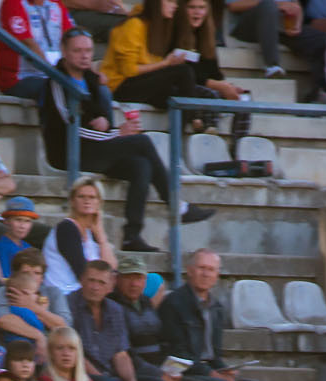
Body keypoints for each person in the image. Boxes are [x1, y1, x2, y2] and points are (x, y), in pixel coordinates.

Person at [37, 30, 203, 255]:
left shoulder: (90, 79)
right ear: (64, 52)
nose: (84, 56)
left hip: (93, 147)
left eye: (88, 50)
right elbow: (70, 128)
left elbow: (95, 121)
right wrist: (115, 133)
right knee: (142, 142)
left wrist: (109, 128)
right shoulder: (56, 82)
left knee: (141, 166)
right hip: (68, 152)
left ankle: (131, 236)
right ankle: (176, 205)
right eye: (77, 51)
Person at [156, 250, 264, 381]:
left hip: (206, 371)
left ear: (217, 275)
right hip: (183, 371)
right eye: (201, 268)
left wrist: (225, 370)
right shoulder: (174, 303)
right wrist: (212, 374)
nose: (206, 274)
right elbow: (177, 352)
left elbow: (214, 353)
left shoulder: (217, 308)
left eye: (211, 269)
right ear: (189, 270)